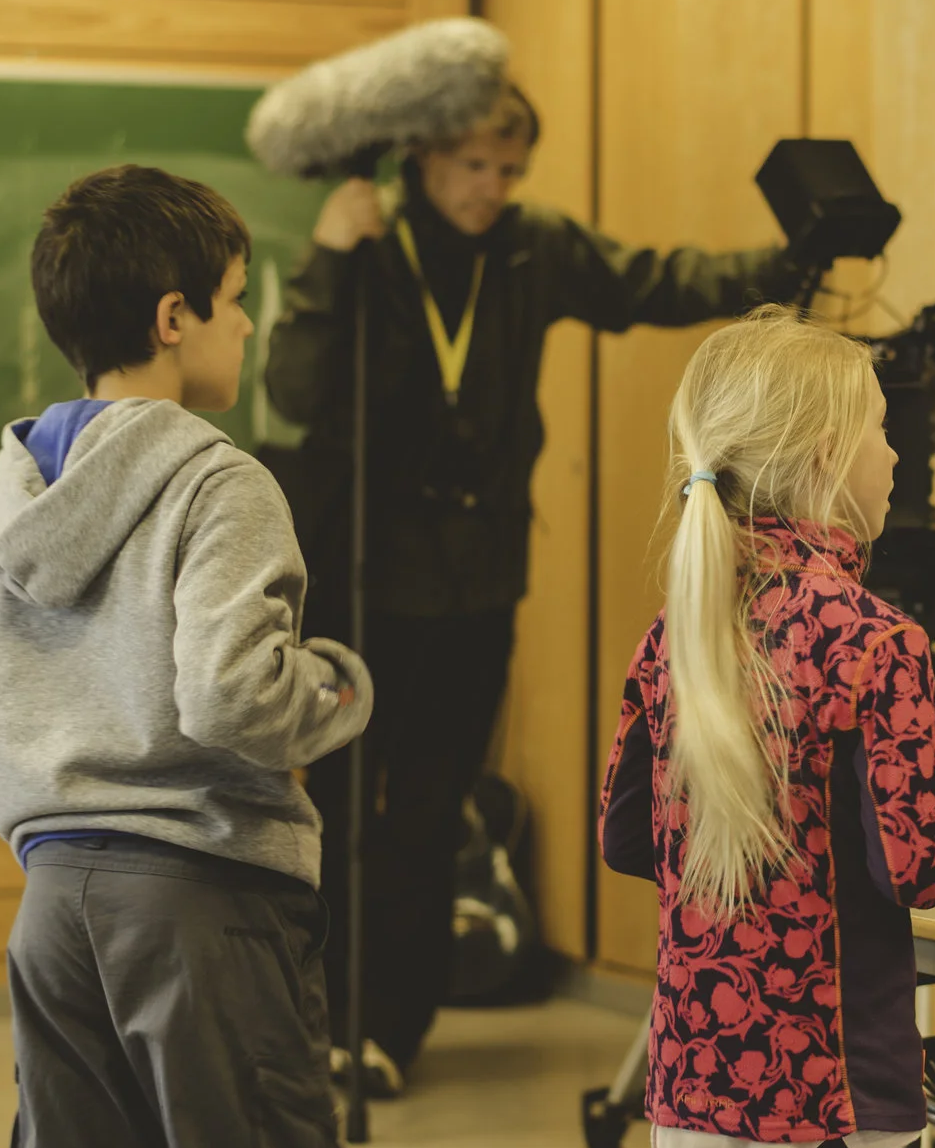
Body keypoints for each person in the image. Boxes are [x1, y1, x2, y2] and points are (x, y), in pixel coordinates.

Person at [0, 166, 373, 1148]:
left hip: (54, 914)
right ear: (175, 317)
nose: (249, 325)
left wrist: (43, 792)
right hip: (203, 908)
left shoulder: (0, 498)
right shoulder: (217, 482)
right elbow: (234, 698)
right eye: (239, 303)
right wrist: (336, 693)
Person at [265, 83, 806, 1095]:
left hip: (476, 581)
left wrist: (788, 267)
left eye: (509, 170)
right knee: (335, 811)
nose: (492, 188)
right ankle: (313, 1019)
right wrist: (332, 256)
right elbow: (294, 391)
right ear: (423, 158)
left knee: (429, 812)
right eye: (475, 166)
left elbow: (652, 282)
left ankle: (386, 1030)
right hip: (361, 577)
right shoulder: (369, 245)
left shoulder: (532, 246)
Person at [597, 307, 935, 1148]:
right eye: (881, 430)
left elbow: (621, 837)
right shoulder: (875, 642)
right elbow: (915, 866)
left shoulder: (680, 629)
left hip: (698, 1071)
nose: (897, 454)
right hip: (828, 1087)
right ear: (822, 463)